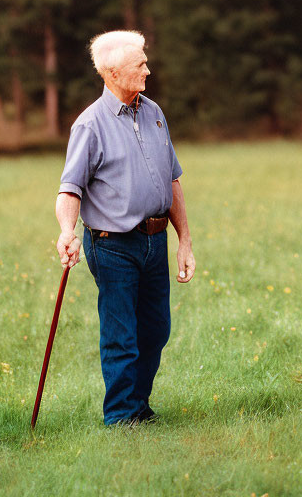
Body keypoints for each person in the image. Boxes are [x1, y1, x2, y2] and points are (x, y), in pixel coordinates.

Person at [55, 30, 196, 425]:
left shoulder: (154, 113)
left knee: (156, 330)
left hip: (154, 241)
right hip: (112, 244)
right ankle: (120, 417)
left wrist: (184, 240)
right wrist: (67, 231)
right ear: (113, 73)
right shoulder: (89, 125)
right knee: (122, 335)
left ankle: (137, 405)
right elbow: (70, 189)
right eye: (140, 64)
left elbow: (172, 180)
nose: (148, 69)